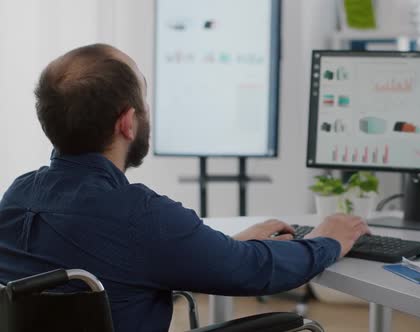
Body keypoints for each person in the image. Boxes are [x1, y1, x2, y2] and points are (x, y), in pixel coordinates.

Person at [0, 44, 370, 332]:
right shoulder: (141, 216)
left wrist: (225, 247)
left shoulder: (17, 196)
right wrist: (328, 239)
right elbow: (256, 270)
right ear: (128, 123)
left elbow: (115, 260)